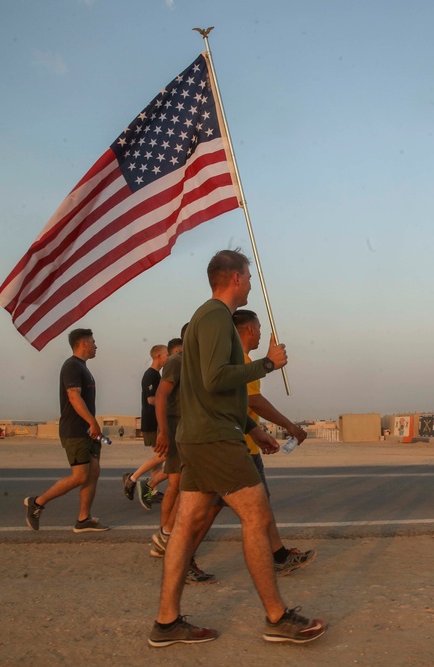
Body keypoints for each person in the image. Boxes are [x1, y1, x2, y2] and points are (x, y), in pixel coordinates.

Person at [148, 249, 327, 647]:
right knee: (257, 515)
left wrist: (250, 426)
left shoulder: (203, 320)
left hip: (202, 434)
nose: (251, 282)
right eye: (248, 276)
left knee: (187, 524)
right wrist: (267, 364)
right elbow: (215, 380)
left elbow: (204, 390)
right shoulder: (214, 317)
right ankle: (277, 617)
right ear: (234, 278)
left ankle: (166, 623)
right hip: (214, 439)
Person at [233, 308, 317, 574]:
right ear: (249, 330)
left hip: (245, 444)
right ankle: (273, 562)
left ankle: (279, 555)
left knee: (212, 511)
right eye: (258, 328)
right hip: (239, 449)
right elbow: (253, 401)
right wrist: (289, 425)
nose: (259, 333)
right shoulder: (243, 363)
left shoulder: (240, 361)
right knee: (254, 508)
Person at [24, 328, 108, 533]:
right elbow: (73, 396)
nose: (96, 345)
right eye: (93, 341)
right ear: (83, 343)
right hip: (76, 430)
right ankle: (38, 502)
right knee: (80, 475)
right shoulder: (72, 366)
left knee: (93, 472)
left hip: (87, 431)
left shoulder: (83, 367)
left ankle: (83, 519)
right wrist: (92, 422)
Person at [150, 332, 216, 584]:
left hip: (192, 433)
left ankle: (167, 538)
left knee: (185, 489)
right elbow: (161, 396)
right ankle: (167, 537)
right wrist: (164, 431)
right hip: (178, 432)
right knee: (181, 488)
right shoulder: (177, 362)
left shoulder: (201, 364)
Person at [122, 344, 169, 509]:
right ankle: (132, 479)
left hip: (156, 422)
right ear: (158, 356)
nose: (168, 358)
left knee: (158, 462)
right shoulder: (151, 375)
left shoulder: (157, 375)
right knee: (162, 457)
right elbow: (151, 400)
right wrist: (169, 405)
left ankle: (152, 491)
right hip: (152, 422)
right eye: (167, 355)